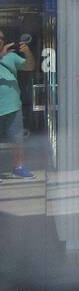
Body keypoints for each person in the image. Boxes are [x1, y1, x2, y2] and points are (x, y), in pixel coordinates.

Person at [0, 28, 36, 179]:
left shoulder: (11, 57)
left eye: (1, 38)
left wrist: (27, 52)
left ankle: (18, 167)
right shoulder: (3, 56)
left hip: (13, 106)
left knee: (17, 139)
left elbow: (30, 66)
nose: (0, 40)